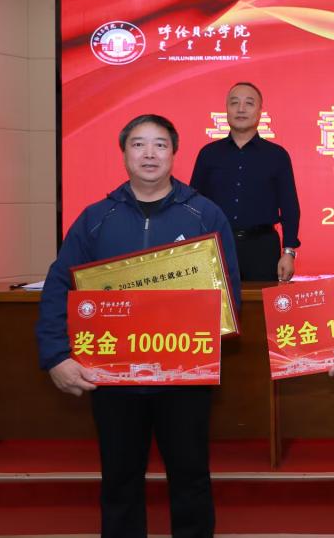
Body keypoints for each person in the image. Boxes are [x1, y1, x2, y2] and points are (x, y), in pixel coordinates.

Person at [36, 114, 242, 538]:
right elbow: (59, 285)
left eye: (160, 144)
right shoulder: (96, 217)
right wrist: (56, 355)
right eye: (139, 144)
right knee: (119, 480)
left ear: (174, 153)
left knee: (191, 478)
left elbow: (229, 293)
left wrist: (202, 338)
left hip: (184, 377)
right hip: (113, 378)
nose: (150, 154)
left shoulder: (204, 214)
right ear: (124, 153)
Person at [191, 82, 301, 282]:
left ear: (260, 112)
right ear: (226, 109)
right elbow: (194, 206)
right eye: (234, 103)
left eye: (249, 103)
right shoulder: (208, 154)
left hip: (262, 247)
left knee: (261, 302)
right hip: (216, 246)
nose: (241, 109)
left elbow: (289, 207)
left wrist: (289, 252)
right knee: (217, 302)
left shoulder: (277, 155)